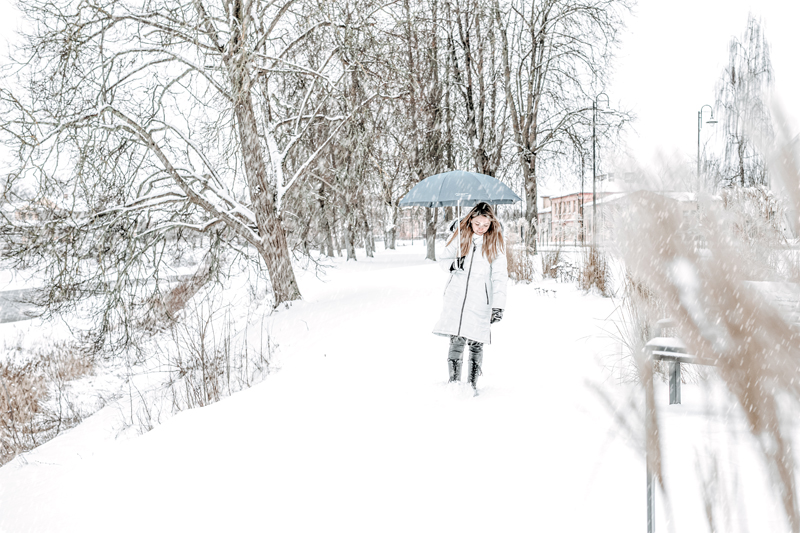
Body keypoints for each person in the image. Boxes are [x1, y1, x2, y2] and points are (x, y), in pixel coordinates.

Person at [432, 202, 508, 392]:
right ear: (470, 221)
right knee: (456, 340)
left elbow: (500, 276)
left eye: (485, 225)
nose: (481, 228)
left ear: (491, 223)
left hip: (480, 300)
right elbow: (443, 260)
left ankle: (472, 386)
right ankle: (454, 384)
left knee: (475, 342)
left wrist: (498, 305)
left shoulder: (495, 242)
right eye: (477, 224)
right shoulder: (459, 236)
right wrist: (454, 264)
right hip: (457, 297)